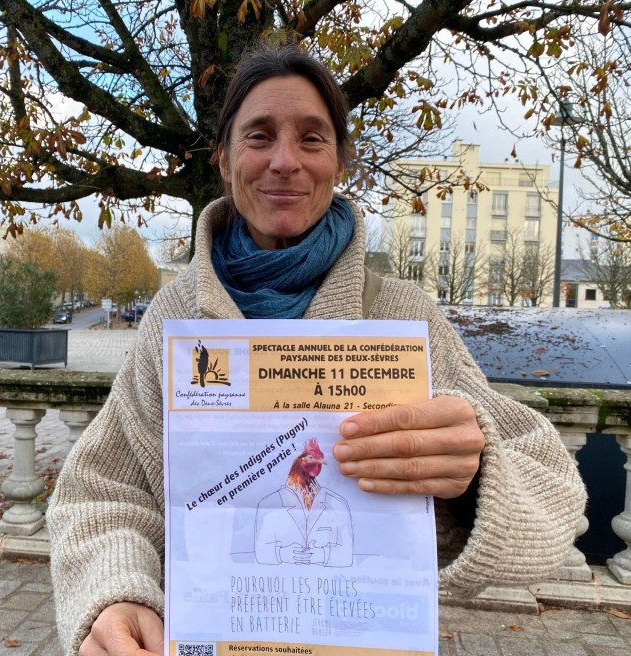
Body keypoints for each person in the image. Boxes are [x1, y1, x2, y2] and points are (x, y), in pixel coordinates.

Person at [47, 43, 586, 656]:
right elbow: (101, 491)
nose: (284, 161)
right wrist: (115, 593)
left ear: (339, 161)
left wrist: (477, 471)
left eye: (311, 138)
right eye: (259, 136)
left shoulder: (403, 316)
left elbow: (554, 489)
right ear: (223, 158)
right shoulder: (175, 319)